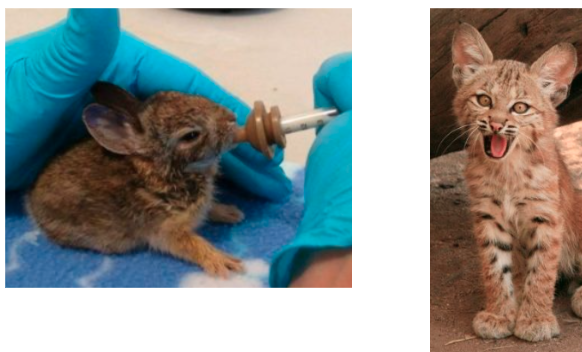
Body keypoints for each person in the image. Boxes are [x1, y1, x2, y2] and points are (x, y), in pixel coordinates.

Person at [5, 9, 352, 288]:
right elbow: (167, 232)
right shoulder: (154, 186)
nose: (231, 121)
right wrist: (208, 255)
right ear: (145, 150)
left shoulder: (183, 167)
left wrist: (209, 206)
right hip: (72, 218)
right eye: (190, 136)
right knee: (131, 240)